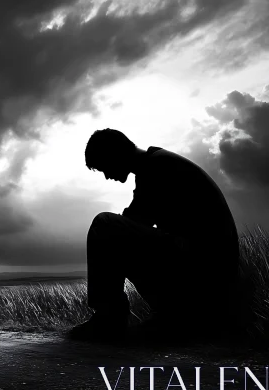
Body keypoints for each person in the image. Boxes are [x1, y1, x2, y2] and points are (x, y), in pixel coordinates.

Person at [70, 128, 240, 343]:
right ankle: (173, 317)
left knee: (104, 224)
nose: (107, 176)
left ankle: (110, 317)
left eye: (105, 166)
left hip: (207, 272)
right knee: (113, 230)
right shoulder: (156, 165)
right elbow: (136, 222)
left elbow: (132, 223)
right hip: (208, 270)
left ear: (116, 154)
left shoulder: (157, 167)